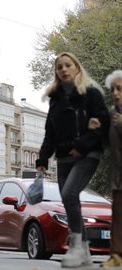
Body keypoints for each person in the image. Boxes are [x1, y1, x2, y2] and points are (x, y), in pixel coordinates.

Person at [35, 52, 109, 268]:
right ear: (57, 73)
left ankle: (76, 247)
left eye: (68, 65)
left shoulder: (91, 93)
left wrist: (82, 145)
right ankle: (84, 251)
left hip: (88, 153)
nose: (64, 70)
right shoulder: (55, 100)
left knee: (69, 193)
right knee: (70, 201)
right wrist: (42, 159)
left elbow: (102, 123)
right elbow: (50, 132)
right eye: (60, 67)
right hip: (64, 156)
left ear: (77, 68)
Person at [98, 70, 122, 268]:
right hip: (118, 176)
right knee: (117, 217)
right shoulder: (111, 115)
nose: (115, 93)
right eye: (113, 89)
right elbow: (104, 143)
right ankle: (115, 256)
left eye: (120, 89)